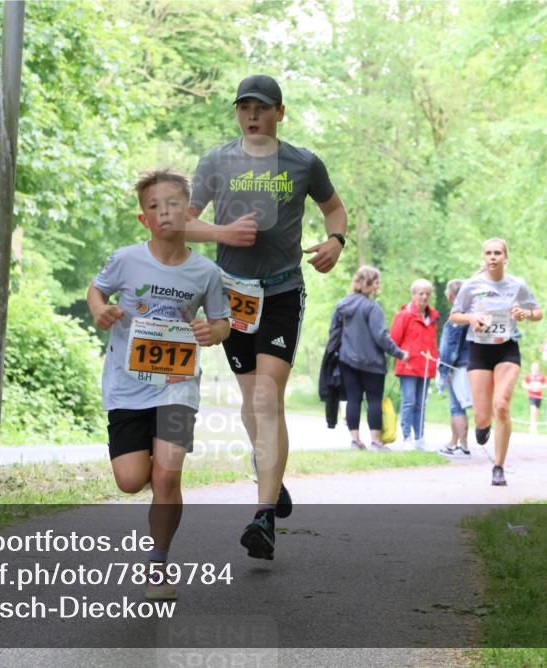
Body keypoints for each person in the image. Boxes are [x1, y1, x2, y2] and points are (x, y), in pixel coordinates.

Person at [187, 74, 348, 560]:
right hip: (232, 295)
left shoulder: (303, 162)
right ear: (237, 113)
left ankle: (262, 516)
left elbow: (334, 209)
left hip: (281, 290)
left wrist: (335, 242)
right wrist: (223, 232)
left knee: (266, 394)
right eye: (244, 108)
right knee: (250, 400)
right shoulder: (216, 161)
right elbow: (186, 220)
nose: (252, 116)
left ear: (280, 112)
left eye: (261, 108)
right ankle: (271, 479)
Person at [87, 168, 231, 598]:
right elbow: (97, 291)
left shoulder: (206, 272)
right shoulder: (126, 259)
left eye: (172, 204)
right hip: (127, 383)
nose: (163, 212)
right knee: (132, 480)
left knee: (167, 479)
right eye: (154, 206)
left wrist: (214, 331)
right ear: (143, 219)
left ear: (189, 213)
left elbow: (223, 323)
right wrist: (100, 310)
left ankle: (158, 565)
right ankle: (152, 466)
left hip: (176, 384)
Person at [450, 238, 542, 486]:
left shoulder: (517, 285)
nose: (493, 257)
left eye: (497, 253)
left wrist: (526, 314)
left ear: (505, 257)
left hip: (507, 349)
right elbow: (454, 316)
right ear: (484, 257)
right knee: (482, 417)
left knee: (501, 405)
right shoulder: (471, 285)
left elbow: (538, 312)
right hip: (479, 350)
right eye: (489, 253)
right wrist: (471, 318)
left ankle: (498, 466)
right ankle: (483, 426)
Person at [327, 266, 408, 451]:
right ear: (369, 283)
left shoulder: (343, 305)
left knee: (353, 399)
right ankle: (376, 442)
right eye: (377, 282)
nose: (378, 286)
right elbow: (381, 336)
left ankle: (355, 441)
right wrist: (400, 354)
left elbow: (334, 332)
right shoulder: (372, 307)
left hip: (347, 360)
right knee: (373, 400)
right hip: (372, 364)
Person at [390, 279, 439, 450]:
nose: (424, 297)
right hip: (408, 367)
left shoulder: (433, 317)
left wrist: (435, 360)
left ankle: (419, 438)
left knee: (421, 404)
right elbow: (393, 341)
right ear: (413, 295)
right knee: (409, 402)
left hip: (426, 367)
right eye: (421, 293)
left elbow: (432, 343)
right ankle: (406, 438)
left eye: (427, 294)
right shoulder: (404, 315)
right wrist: (403, 356)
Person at [436, 279, 472, 458]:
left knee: (456, 407)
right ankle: (455, 443)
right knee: (460, 406)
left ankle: (463, 445)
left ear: (451, 296)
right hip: (468, 363)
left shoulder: (458, 316)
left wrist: (446, 369)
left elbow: (451, 346)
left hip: (457, 366)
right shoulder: (471, 313)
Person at [522, 361, 547, 435]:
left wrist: (540, 387)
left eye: (536, 367)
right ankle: (533, 428)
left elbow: (546, 384)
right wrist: (530, 387)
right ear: (531, 368)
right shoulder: (529, 376)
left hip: (539, 396)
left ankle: (532, 425)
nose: (535, 368)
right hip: (531, 396)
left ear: (538, 368)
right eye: (534, 367)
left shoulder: (541, 376)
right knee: (533, 411)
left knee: (536, 412)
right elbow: (524, 384)